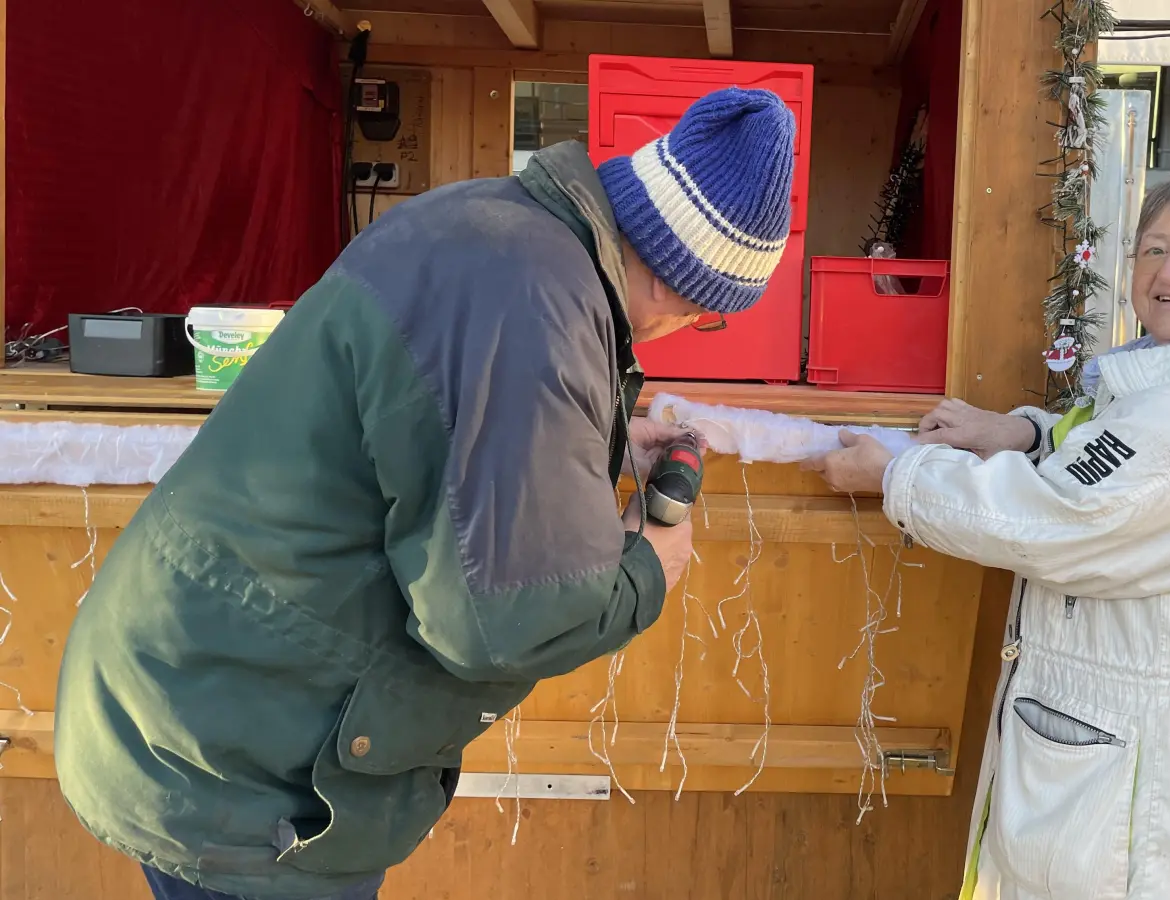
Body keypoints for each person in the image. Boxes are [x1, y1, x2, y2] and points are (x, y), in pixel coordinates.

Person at [53, 87, 797, 900]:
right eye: (706, 317)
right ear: (686, 290)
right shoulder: (537, 313)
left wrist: (604, 437)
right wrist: (648, 569)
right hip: (233, 761)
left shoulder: (501, 229)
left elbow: (450, 427)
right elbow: (501, 621)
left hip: (201, 687)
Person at [807, 170, 1170, 900]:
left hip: (1159, 775)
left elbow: (1065, 519)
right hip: (1139, 744)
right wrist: (1020, 433)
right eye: (1152, 250)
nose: (1169, 271)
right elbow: (1108, 444)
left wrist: (900, 479)